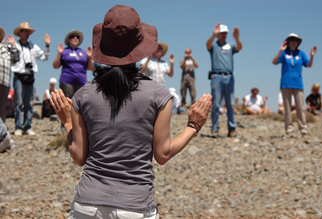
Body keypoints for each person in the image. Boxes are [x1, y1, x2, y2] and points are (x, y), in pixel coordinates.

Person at [50, 5, 212, 219]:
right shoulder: (158, 94)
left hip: (87, 205)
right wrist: (194, 125)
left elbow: (79, 156)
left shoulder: (84, 94)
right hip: (135, 206)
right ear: (140, 45)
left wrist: (67, 122)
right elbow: (162, 155)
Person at [272, 33, 317, 135]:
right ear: (288, 42)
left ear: (298, 43)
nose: (293, 42)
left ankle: (303, 128)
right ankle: (289, 128)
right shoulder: (284, 53)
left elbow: (308, 65)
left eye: (295, 40)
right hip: (285, 84)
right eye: (291, 40)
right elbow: (274, 62)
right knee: (287, 108)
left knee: (300, 107)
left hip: (298, 84)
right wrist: (280, 50)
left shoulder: (301, 54)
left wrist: (312, 56)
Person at [11, 22, 51, 136]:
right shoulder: (15, 45)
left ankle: (27, 126)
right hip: (19, 75)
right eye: (25, 31)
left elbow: (44, 57)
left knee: (29, 102)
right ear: (20, 32)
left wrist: (47, 45)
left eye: (28, 31)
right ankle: (18, 126)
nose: (27, 33)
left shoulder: (33, 46)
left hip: (30, 76)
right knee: (18, 102)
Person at [206, 22, 242, 137]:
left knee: (230, 104)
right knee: (216, 104)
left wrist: (237, 38)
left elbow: (239, 47)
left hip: (229, 76)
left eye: (225, 33)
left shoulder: (230, 46)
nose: (223, 35)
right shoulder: (214, 46)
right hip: (216, 76)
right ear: (217, 34)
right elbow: (207, 44)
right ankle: (215, 128)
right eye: (221, 33)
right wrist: (213, 34)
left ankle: (232, 128)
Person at [52, 29, 93, 98]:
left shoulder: (83, 52)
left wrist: (89, 57)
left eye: (77, 37)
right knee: (68, 102)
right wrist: (59, 53)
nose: (75, 38)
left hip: (81, 82)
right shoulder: (64, 51)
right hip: (67, 82)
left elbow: (90, 68)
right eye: (73, 36)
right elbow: (55, 66)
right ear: (68, 39)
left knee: (80, 103)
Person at [0, 27, 20, 123]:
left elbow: (16, 58)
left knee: (2, 107)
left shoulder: (7, 49)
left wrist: (13, 45)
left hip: (4, 82)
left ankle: (2, 133)